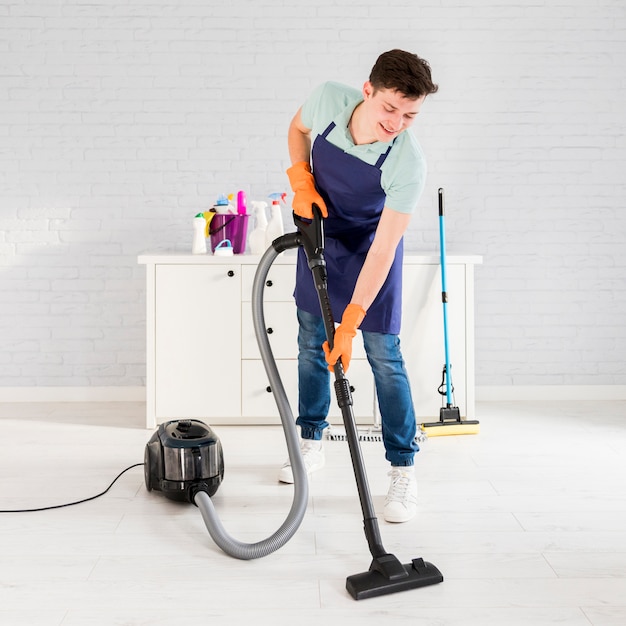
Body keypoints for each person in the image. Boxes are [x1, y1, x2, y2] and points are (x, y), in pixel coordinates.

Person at [278, 49, 438, 524]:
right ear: (367, 91)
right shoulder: (328, 99)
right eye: (390, 108)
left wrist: (352, 319)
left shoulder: (408, 161)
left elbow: (385, 247)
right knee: (311, 342)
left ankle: (403, 471)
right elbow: (297, 129)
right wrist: (301, 180)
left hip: (372, 250)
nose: (397, 122)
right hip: (322, 233)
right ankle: (310, 443)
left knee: (384, 356)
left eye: (410, 115)